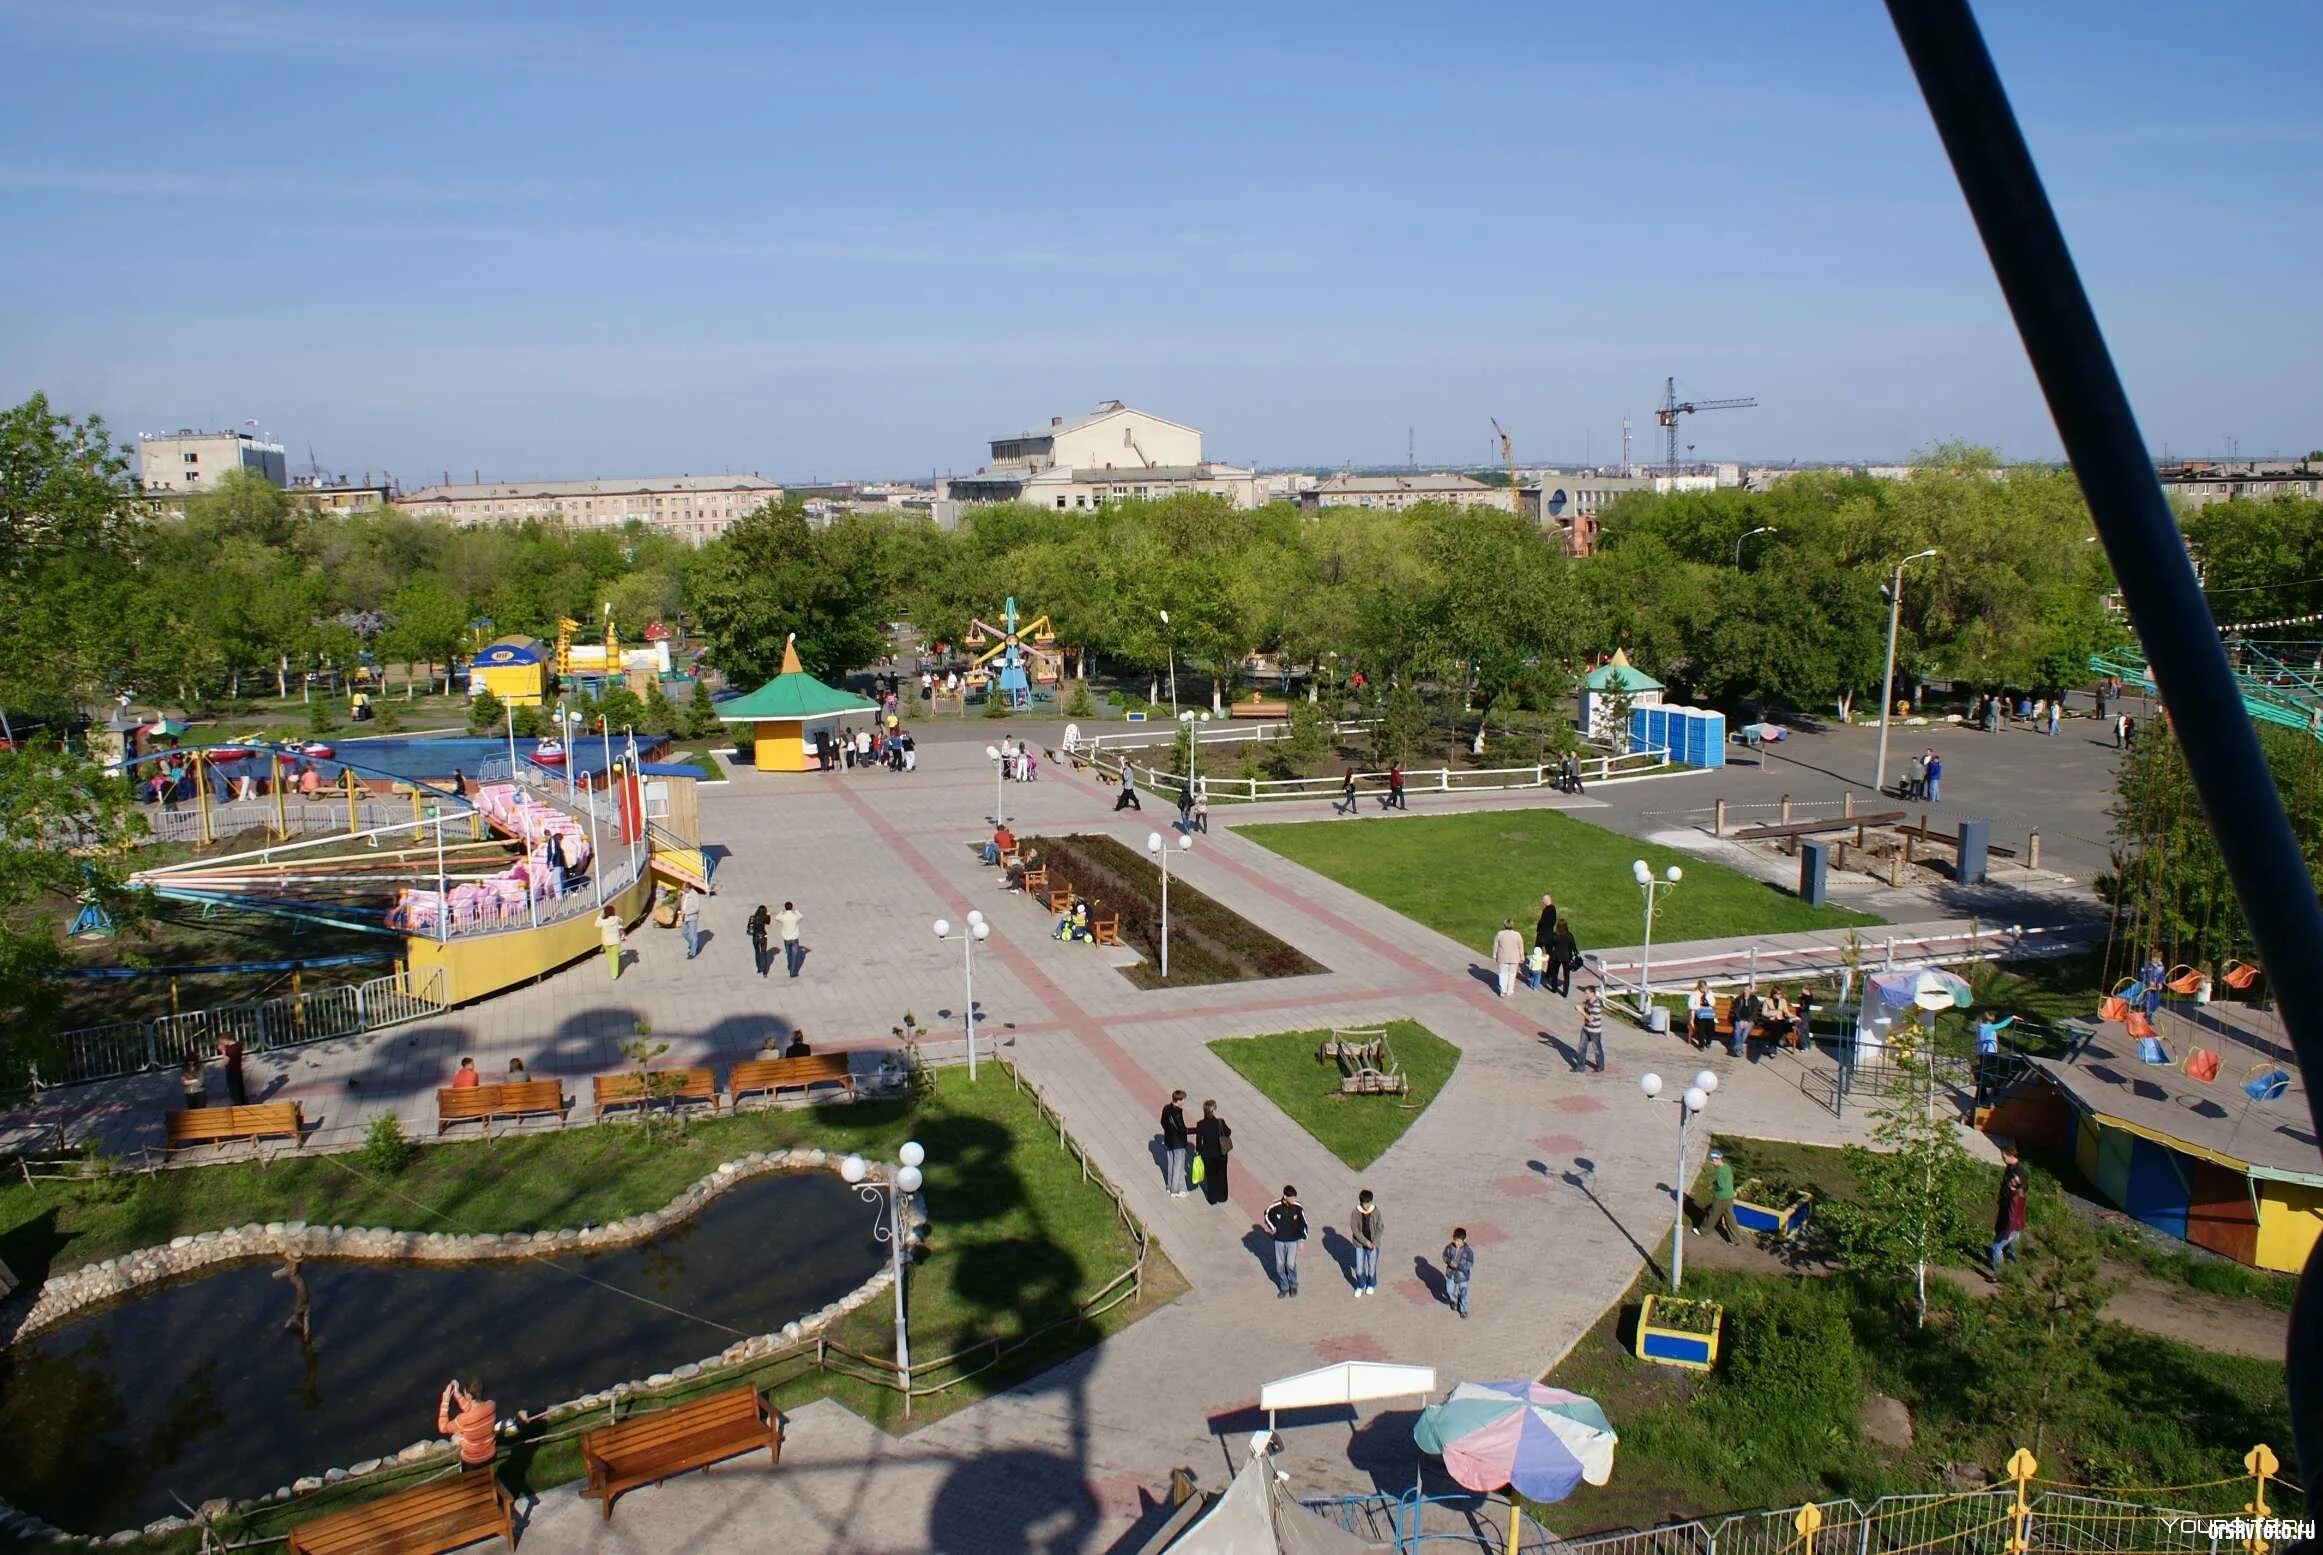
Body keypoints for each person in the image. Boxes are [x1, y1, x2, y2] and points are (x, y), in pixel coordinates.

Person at [437, 1379, 498, 1474]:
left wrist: (445, 1401)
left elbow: (442, 1427)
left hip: (472, 1462)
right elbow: (472, 1409)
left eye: (464, 1393)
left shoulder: (463, 1419)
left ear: (468, 1396)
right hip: (491, 1455)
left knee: (458, 1436)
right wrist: (457, 1394)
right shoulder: (491, 1405)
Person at [1263, 1185, 1309, 1297]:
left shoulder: (1298, 1207)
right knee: (1279, 1265)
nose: (1294, 1200)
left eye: (1294, 1197)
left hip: (1292, 1240)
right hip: (1279, 1240)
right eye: (1292, 1198)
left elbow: (1304, 1223)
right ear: (1285, 1196)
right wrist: (1272, 1227)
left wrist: (1302, 1239)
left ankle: (1293, 1285)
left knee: (1290, 1264)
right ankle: (1284, 1286)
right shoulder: (1276, 1206)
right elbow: (1267, 1214)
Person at [1991, 1145, 2028, 1275]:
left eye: (2004, 1157)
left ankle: (2001, 1274)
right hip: (2009, 1213)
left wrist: (2009, 1223)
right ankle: (2013, 1270)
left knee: (1997, 1246)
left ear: (2012, 1156)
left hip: (2011, 1216)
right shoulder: (2010, 1168)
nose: (2002, 1159)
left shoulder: (2019, 1174)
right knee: (2010, 1245)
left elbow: (2019, 1197)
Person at [1973, 1012, 2017, 1109]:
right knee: (1989, 1073)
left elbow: (1997, 1024)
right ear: (1989, 1020)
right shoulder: (1988, 1027)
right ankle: (1987, 1093)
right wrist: (2011, 1018)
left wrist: (2008, 1016)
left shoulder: (1980, 1027)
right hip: (1989, 1053)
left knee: (1985, 1073)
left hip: (1983, 1052)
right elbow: (2001, 1024)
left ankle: (1982, 1094)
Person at [1193, 1100, 1232, 1205]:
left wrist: (1201, 1152)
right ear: (1213, 1110)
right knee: (1222, 1174)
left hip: (1208, 1155)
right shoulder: (1220, 1122)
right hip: (1221, 1154)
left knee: (1211, 1177)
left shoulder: (1200, 1124)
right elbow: (1228, 1132)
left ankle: (1212, 1198)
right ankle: (1223, 1196)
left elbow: (1198, 1143)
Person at [1693, 1150, 1738, 1242]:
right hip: (1729, 1196)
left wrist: (1714, 1185)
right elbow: (1728, 1180)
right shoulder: (1727, 1167)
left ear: (1716, 1160)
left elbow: (1721, 1185)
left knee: (1712, 1215)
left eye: (1712, 1161)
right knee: (1730, 1218)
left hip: (1721, 1197)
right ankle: (1736, 1239)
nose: (1711, 1163)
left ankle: (1702, 1231)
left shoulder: (1720, 1171)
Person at [1349, 1189, 1382, 1296]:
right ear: (1361, 1202)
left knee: (1371, 1267)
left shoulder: (1376, 1211)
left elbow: (1380, 1227)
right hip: (1360, 1245)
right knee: (1359, 1268)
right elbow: (1355, 1229)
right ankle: (1360, 1285)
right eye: (1365, 1203)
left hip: (1373, 1245)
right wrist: (1365, 1242)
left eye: (1369, 1202)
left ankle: (1371, 1284)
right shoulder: (1355, 1212)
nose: (1367, 1205)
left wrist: (1375, 1242)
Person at [1159, 1090, 1191, 1197]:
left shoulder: (1166, 1108)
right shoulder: (1177, 1112)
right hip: (1178, 1143)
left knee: (1171, 1164)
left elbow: (1162, 1122)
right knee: (1178, 1166)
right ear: (1179, 1100)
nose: (1184, 1102)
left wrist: (1168, 1132)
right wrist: (1195, 1130)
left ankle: (1169, 1186)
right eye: (1183, 1100)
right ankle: (1175, 1190)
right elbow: (1182, 1129)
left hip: (1169, 1141)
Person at [1440, 1227, 1474, 1318]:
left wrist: (1458, 1266)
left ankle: (1463, 1310)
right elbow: (1444, 1256)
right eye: (1455, 1240)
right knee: (1449, 1290)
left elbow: (1470, 1264)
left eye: (1459, 1241)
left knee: (1463, 1294)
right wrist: (1449, 1262)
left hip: (1462, 1276)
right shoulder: (1449, 1248)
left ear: (1464, 1240)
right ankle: (1454, 1300)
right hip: (1450, 1273)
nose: (1457, 1243)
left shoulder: (1468, 1251)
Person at [1491, 917, 1525, 998]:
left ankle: (1503, 991)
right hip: (1514, 958)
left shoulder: (1500, 934)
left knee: (1503, 974)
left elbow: (1496, 945)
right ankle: (1509, 990)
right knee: (1512, 974)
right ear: (1512, 925)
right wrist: (1522, 957)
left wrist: (1494, 955)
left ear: (1504, 925)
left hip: (1502, 957)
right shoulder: (1517, 934)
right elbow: (1521, 947)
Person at [1577, 984, 1607, 1073]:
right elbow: (1582, 1006)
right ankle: (1580, 1067)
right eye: (1585, 993)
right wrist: (1581, 1005)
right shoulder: (1588, 1001)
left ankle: (1600, 1066)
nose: (1586, 995)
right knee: (1582, 1047)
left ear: (1593, 993)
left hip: (1594, 1031)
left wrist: (1580, 1011)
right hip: (1586, 1029)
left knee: (1597, 1049)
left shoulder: (1596, 1005)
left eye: (1587, 993)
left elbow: (1590, 1018)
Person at [1729, 982, 1761, 1059]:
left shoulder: (1754, 999)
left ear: (1751, 990)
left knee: (1746, 1031)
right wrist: (1740, 1020)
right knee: (1737, 1030)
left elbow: (1755, 1012)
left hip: (1750, 1020)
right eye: (1744, 990)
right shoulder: (1739, 999)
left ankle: (1736, 1045)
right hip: (1739, 1019)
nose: (1745, 991)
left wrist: (1747, 1020)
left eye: (1747, 990)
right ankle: (1738, 1049)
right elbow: (1736, 1011)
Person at [1548, 918, 1578, 998]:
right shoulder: (1569, 935)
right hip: (1567, 957)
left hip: (1556, 956)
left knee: (1555, 973)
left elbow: (1550, 945)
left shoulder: (1555, 935)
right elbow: (1574, 947)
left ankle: (1554, 989)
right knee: (1566, 976)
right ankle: (1565, 992)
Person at [218, 1033, 249, 1106]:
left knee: (235, 1090)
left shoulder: (232, 1049)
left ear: (226, 1039)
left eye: (222, 1041)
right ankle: (243, 1103)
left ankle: (239, 1105)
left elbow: (225, 1061)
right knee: (239, 1088)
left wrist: (223, 1051)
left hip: (233, 1071)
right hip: (236, 1070)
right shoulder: (237, 1045)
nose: (223, 1043)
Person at [776, 900, 804, 977]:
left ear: (785, 908)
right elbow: (801, 916)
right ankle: (792, 972)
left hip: (786, 938)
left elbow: (777, 917)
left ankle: (789, 965)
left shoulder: (783, 916)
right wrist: (796, 911)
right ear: (791, 907)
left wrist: (781, 912)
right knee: (794, 955)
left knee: (789, 953)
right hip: (794, 938)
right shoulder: (794, 916)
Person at [679, 882, 706, 960]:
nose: (682, 889)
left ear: (688, 888)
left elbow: (696, 908)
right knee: (684, 932)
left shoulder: (695, 895)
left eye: (684, 888)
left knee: (693, 935)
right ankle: (694, 944)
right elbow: (683, 902)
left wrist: (687, 912)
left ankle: (692, 952)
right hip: (684, 917)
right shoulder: (685, 893)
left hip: (691, 918)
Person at [1688, 981, 1717, 1051]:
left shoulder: (1709, 993)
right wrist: (1699, 1006)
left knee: (1711, 1025)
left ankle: (1708, 1042)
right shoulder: (1694, 994)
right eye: (1703, 988)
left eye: (1705, 987)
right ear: (1699, 987)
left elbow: (1713, 1003)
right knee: (1702, 1025)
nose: (1704, 989)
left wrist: (1707, 994)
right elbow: (1690, 1005)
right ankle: (1701, 1044)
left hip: (1708, 1014)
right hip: (1698, 1014)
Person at [599, 904, 625, 980]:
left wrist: (600, 915)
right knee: (615, 957)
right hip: (615, 941)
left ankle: (612, 970)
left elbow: (596, 924)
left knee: (610, 956)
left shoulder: (602, 921)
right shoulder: (616, 918)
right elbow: (621, 921)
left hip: (606, 942)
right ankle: (614, 974)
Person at [747, 903, 772, 977]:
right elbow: (768, 923)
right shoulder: (764, 917)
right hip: (763, 936)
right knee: (763, 953)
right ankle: (765, 971)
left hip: (755, 936)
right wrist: (768, 915)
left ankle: (759, 968)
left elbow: (749, 925)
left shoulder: (752, 917)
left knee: (757, 952)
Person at [2138, 949, 2166, 1015]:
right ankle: (2148, 1018)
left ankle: (2146, 1012)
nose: (2157, 959)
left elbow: (2162, 976)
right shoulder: (2147, 965)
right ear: (2152, 957)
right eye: (2155, 957)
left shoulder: (2161, 967)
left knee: (2156, 1004)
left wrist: (2160, 983)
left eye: (2159, 958)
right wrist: (2148, 981)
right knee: (2149, 1002)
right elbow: (2141, 974)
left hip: (2156, 988)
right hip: (2148, 987)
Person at [1533, 894, 1558, 964]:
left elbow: (1542, 921)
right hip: (1549, 934)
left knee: (1537, 951)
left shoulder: (1546, 910)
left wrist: (1538, 926)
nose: (1542, 901)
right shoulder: (1553, 909)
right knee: (1550, 953)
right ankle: (1550, 971)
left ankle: (1536, 967)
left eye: (1543, 900)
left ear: (1547, 900)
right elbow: (1553, 921)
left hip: (1543, 934)